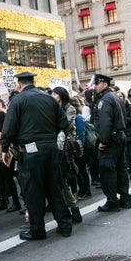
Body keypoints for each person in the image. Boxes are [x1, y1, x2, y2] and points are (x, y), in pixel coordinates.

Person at [1, 72, 73, 239]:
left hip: (30, 150)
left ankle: (37, 230)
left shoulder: (18, 100)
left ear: (20, 85)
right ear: (33, 82)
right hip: (51, 146)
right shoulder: (49, 98)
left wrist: (5, 149)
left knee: (33, 191)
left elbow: (9, 127)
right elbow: (63, 123)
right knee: (54, 188)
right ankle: (65, 225)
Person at [92, 75, 131, 212]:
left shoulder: (105, 99)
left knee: (107, 170)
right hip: (119, 136)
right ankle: (125, 199)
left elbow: (105, 122)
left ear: (104, 83)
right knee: (121, 169)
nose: (95, 86)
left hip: (111, 139)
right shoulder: (114, 96)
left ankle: (112, 201)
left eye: (96, 83)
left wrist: (103, 140)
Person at [51, 86, 83, 223]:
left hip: (65, 146)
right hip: (54, 145)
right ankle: (72, 209)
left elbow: (66, 124)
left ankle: (73, 209)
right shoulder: (52, 106)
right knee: (60, 180)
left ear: (60, 95)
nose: (52, 95)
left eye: (54, 93)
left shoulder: (69, 108)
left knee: (63, 178)